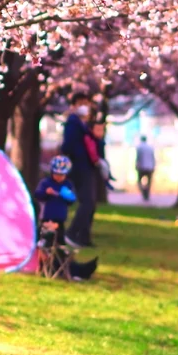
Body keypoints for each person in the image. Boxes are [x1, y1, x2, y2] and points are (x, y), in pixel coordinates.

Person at [60, 92, 99, 247]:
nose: (84, 106)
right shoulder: (73, 123)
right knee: (87, 202)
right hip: (79, 166)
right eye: (81, 103)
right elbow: (68, 146)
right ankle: (72, 233)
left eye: (86, 102)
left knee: (90, 202)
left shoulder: (82, 124)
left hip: (86, 166)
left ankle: (84, 237)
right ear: (74, 105)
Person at [34, 155, 77, 244]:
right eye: (56, 174)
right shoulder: (46, 183)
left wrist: (65, 196)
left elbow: (71, 200)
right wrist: (46, 193)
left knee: (59, 240)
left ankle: (59, 255)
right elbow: (38, 195)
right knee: (43, 238)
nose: (59, 177)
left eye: (62, 175)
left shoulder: (67, 185)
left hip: (60, 219)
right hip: (46, 218)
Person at [135, 134, 156, 201]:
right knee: (149, 182)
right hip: (150, 167)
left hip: (142, 167)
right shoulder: (150, 147)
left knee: (139, 181)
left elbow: (138, 157)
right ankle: (146, 193)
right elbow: (153, 158)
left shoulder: (139, 147)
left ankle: (144, 192)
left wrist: (136, 165)